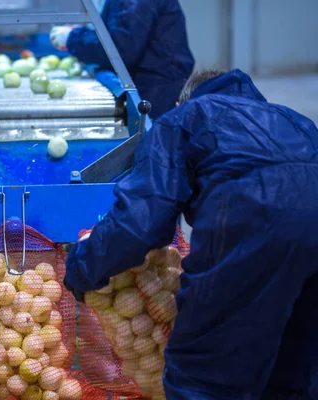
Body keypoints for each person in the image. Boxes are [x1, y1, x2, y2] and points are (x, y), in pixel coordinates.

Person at [63, 68, 318, 399]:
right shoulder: (293, 120)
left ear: (180, 101)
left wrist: (83, 267)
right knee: (291, 371)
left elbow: (143, 220)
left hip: (251, 223)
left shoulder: (184, 118)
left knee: (202, 374)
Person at [50, 0, 195, 120]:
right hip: (151, 83)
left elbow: (121, 48)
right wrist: (82, 34)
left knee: (155, 146)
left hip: (157, 89)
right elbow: (116, 32)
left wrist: (73, 38)